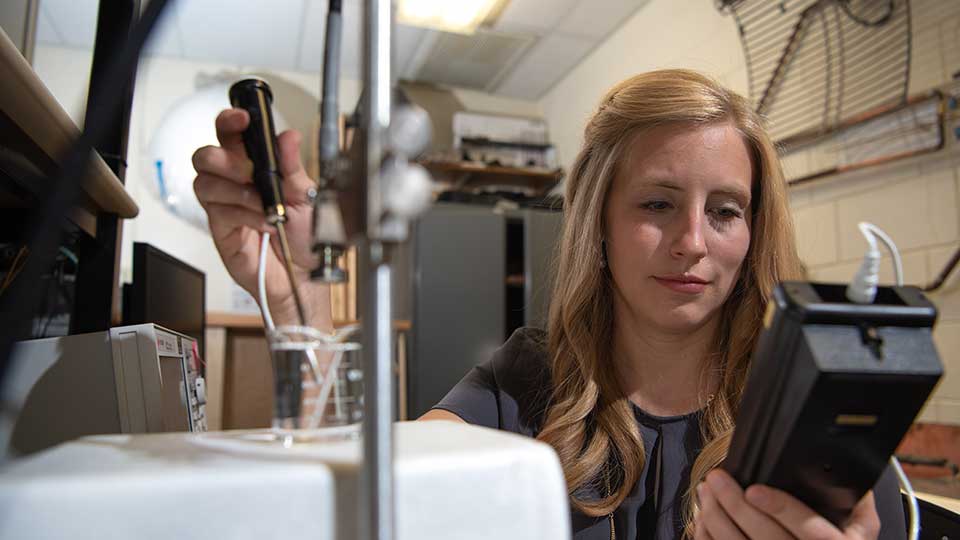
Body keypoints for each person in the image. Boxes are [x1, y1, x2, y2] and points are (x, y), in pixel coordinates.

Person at [193, 69, 905, 540]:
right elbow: (378, 501)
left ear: (753, 232)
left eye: (725, 211)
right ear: (597, 222)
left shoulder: (801, 405)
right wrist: (303, 313)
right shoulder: (529, 378)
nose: (693, 241)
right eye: (657, 203)